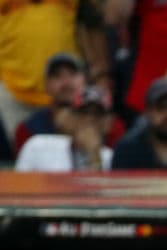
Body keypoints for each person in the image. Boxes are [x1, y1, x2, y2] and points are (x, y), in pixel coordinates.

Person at [0, 0, 111, 144]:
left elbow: (93, 24)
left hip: (68, 91)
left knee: (76, 151)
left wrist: (101, 74)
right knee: (22, 156)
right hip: (12, 91)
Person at [14, 53, 125, 155]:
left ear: (86, 79)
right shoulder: (29, 130)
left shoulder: (112, 126)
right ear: (46, 85)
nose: (66, 82)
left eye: (73, 74)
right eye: (57, 76)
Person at [15, 86, 114, 172]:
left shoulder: (111, 158)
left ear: (107, 122)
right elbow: (17, 188)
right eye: (83, 112)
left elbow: (100, 192)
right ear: (70, 117)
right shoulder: (38, 146)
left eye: (97, 114)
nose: (89, 119)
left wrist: (94, 156)